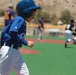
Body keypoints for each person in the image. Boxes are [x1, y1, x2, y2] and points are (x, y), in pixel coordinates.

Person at [0, 0, 40, 75]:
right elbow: (12, 32)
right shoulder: (19, 19)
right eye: (33, 14)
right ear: (26, 12)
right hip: (10, 51)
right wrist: (26, 42)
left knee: (24, 73)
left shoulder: (19, 20)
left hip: (15, 52)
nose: (33, 16)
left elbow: (4, 33)